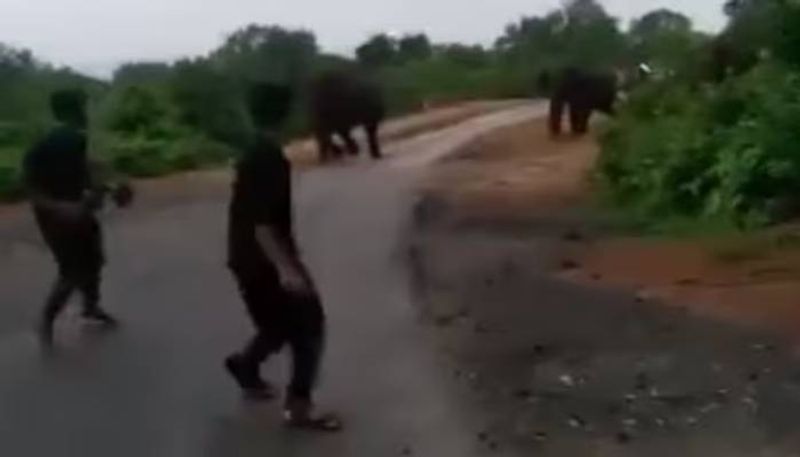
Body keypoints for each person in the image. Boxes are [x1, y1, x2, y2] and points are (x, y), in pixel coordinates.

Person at [225, 83, 341, 432]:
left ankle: (246, 366)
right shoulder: (268, 158)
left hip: (244, 256)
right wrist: (287, 269)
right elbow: (262, 223)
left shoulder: (254, 151)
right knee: (309, 327)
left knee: (277, 326)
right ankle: (299, 407)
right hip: (264, 259)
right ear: (287, 114)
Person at [24, 89, 119, 347]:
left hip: (79, 213)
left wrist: (109, 188)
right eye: (82, 106)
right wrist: (61, 208)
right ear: (73, 110)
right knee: (72, 271)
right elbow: (31, 189)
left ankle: (91, 307)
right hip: (57, 218)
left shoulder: (75, 140)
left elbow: (85, 172)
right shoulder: (47, 143)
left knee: (94, 260)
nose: (86, 112)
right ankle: (46, 321)